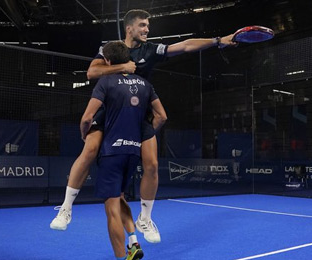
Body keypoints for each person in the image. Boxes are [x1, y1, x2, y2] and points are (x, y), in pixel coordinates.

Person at [51, 9, 236, 243]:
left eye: (147, 25)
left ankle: (145, 219)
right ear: (129, 28)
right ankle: (66, 209)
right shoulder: (111, 49)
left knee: (152, 165)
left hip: (139, 113)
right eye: (142, 25)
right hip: (109, 110)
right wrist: (122, 67)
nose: (147, 29)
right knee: (88, 151)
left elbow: (185, 46)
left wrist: (218, 41)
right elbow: (92, 72)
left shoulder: (151, 50)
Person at [81, 41, 165, 260]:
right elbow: (162, 117)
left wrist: (84, 133)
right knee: (119, 197)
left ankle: (121, 257)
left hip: (111, 153)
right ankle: (134, 241)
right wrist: (143, 136)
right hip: (133, 152)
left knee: (111, 209)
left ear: (108, 61)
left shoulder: (107, 81)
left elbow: (87, 118)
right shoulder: (145, 84)